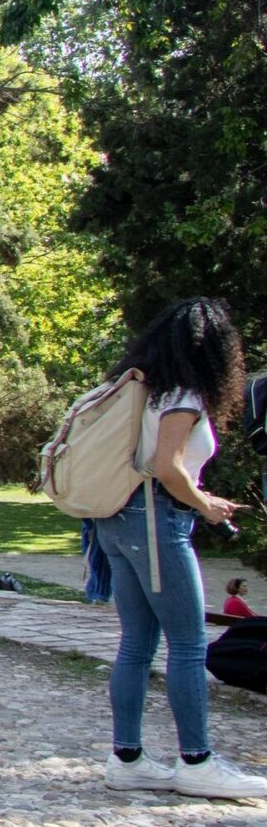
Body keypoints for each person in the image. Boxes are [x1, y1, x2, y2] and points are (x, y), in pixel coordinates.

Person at [92, 297, 267, 799]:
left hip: (119, 518)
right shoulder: (184, 395)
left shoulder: (137, 388)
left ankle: (127, 757)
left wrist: (199, 497)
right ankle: (197, 761)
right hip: (156, 521)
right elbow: (169, 468)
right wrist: (206, 506)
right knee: (188, 643)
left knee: (137, 643)